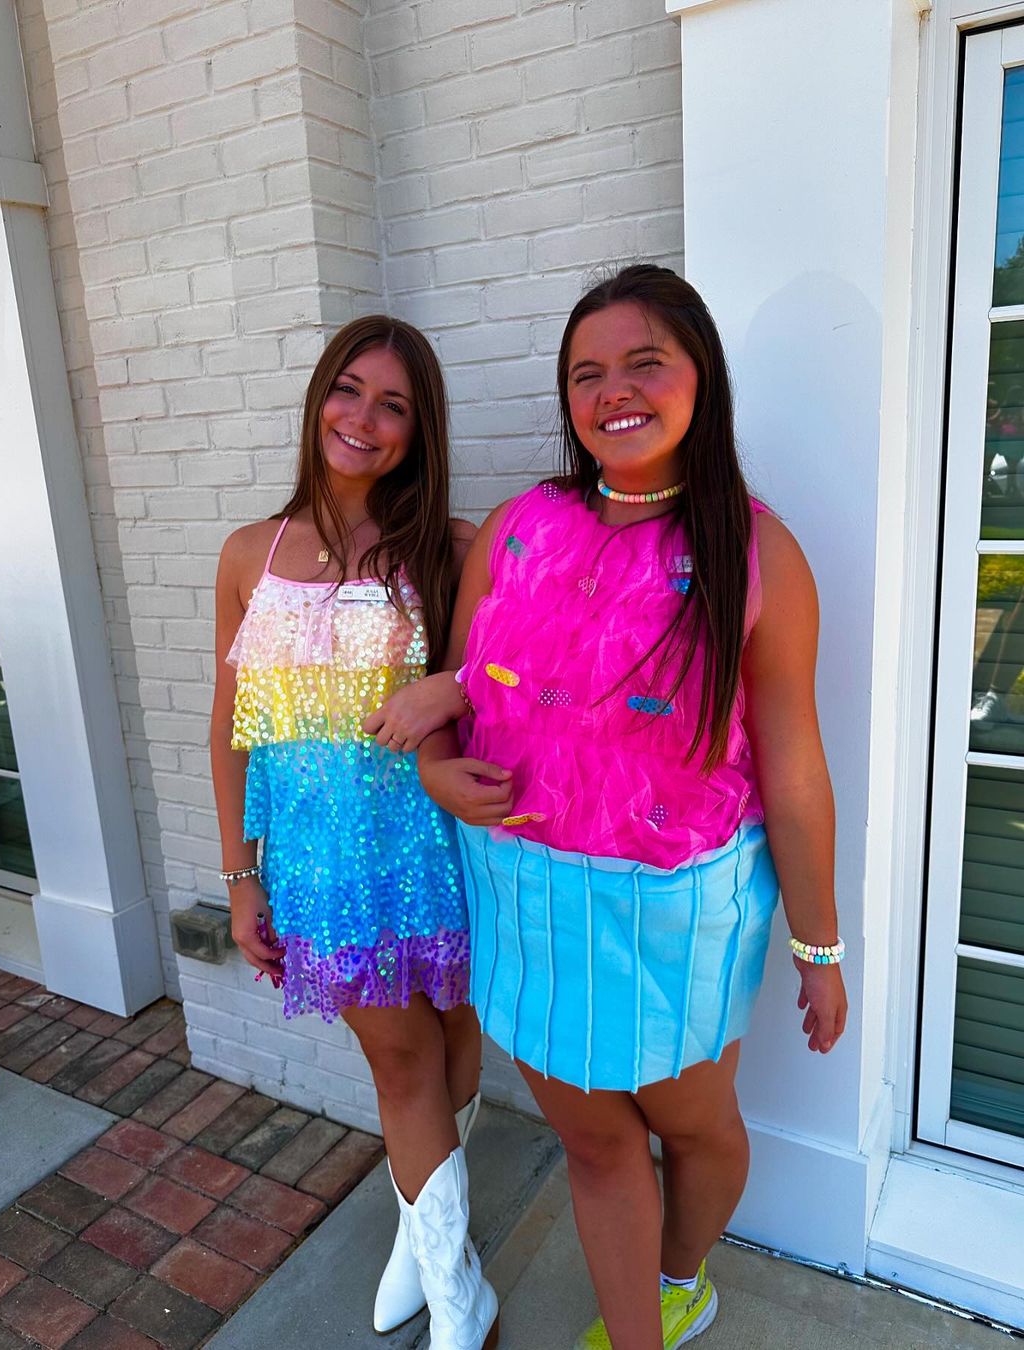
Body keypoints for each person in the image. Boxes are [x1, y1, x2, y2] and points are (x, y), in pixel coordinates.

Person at [371, 265, 847, 1350]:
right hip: (526, 895)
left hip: (678, 915)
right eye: (587, 373)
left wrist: (819, 948)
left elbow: (794, 768)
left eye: (644, 362)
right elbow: (460, 683)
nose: (613, 391)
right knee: (595, 1146)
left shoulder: (758, 553)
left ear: (700, 377)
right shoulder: (519, 526)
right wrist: (436, 770)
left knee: (701, 1133)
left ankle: (679, 1281)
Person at [209, 316, 499, 1350]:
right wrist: (241, 878)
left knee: (451, 1037)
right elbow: (231, 731)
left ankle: (422, 1237)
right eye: (348, 389)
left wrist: (451, 683)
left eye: (393, 405)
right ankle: (460, 1294)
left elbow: (507, 683)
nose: (363, 419)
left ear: (420, 430)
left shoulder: (449, 548)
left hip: (435, 852)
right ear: (318, 397)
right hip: (321, 869)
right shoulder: (249, 554)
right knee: (403, 1062)